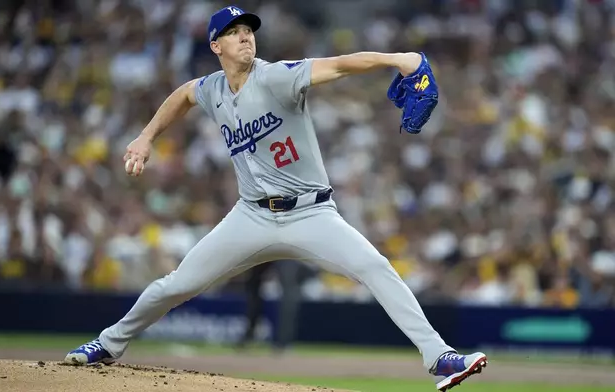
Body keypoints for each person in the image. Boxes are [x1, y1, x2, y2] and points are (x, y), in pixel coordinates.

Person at [64, 6, 488, 391]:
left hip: (311, 212)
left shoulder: (276, 76)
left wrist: (400, 60)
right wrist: (145, 135)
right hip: (251, 216)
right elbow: (183, 95)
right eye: (234, 32)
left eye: (248, 29)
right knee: (176, 285)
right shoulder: (213, 89)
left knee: (375, 267)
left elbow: (340, 65)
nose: (246, 36)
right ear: (216, 46)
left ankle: (440, 357)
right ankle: (108, 344)